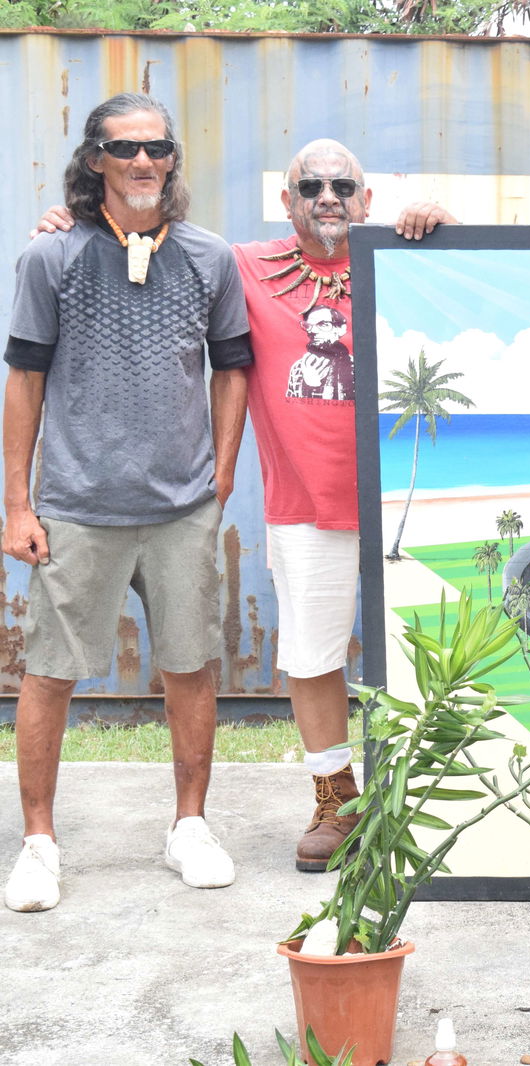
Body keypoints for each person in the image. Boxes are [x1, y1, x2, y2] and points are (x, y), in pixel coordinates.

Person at [28, 139, 455, 873]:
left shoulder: (406, 258)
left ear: (368, 198)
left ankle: (436, 800)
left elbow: (486, 274)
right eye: (310, 187)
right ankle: (337, 801)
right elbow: (148, 240)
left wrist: (445, 219)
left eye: (343, 185)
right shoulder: (241, 266)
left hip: (414, 501)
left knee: (436, 651)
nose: (328, 197)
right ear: (287, 202)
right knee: (312, 656)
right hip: (304, 504)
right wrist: (73, 224)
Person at [3, 93, 252, 912]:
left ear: (172, 159)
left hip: (182, 508)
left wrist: (220, 477)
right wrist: (17, 504)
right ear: (95, 160)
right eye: (124, 148)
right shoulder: (51, 257)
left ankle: (190, 827)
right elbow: (25, 378)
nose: (143, 161)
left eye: (157, 148)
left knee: (191, 666)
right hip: (77, 505)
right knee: (49, 673)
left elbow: (233, 369)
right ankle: (39, 844)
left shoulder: (210, 257)